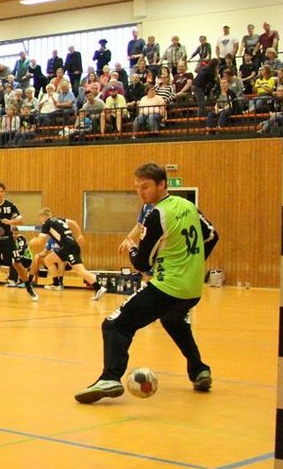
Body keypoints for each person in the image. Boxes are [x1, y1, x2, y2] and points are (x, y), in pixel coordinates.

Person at [74, 163, 218, 403]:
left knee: (115, 325)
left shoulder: (156, 215)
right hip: (192, 288)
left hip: (167, 286)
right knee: (173, 320)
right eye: (138, 187)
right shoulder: (188, 205)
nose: (141, 192)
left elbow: (141, 264)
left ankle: (110, 378)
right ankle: (199, 369)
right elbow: (212, 235)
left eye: (146, 187)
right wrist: (192, 263)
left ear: (163, 185)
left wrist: (132, 248)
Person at [0, 182, 38, 302]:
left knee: (17, 264)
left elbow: (21, 219)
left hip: (8, 241)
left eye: (1, 191)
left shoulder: (10, 206)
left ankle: (29, 289)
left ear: (4, 192)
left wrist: (10, 222)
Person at [33, 208, 107, 300]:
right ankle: (56, 284)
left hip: (68, 247)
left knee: (80, 270)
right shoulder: (58, 219)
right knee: (48, 260)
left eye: (40, 218)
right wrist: (79, 235)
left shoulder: (46, 223)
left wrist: (32, 242)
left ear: (43, 216)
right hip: (68, 246)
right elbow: (73, 223)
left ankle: (98, 287)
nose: (40, 220)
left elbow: (40, 241)